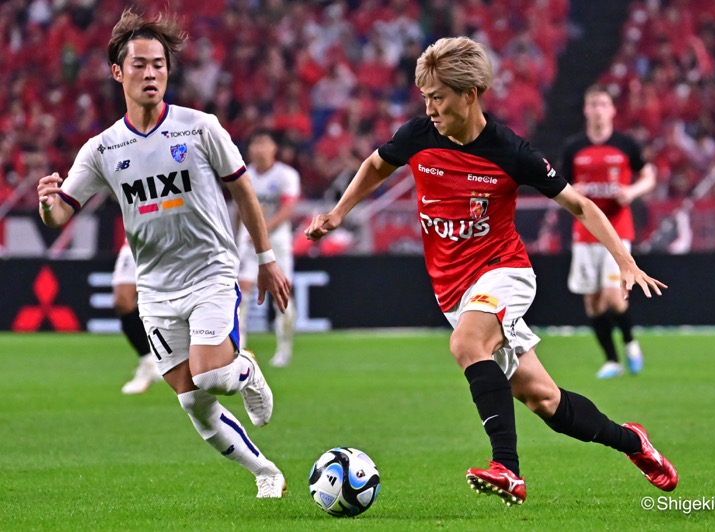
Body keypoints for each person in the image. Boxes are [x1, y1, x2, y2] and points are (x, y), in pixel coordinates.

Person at [305, 37, 677, 507]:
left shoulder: (509, 151)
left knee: (466, 344)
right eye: (425, 98)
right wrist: (339, 213)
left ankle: (508, 468)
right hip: (454, 292)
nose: (431, 107)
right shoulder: (418, 135)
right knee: (547, 402)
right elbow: (377, 165)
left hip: (504, 272)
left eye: (438, 97)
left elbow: (579, 204)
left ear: (470, 93)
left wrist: (624, 260)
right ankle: (633, 442)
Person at [36, 8, 291, 499]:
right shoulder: (102, 149)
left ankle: (246, 370)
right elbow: (60, 216)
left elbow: (244, 193)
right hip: (155, 287)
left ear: (168, 72)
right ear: (118, 72)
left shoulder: (200, 128)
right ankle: (265, 472)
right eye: (140, 65)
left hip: (211, 272)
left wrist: (264, 258)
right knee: (192, 402)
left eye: (159, 65)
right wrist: (48, 205)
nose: (150, 73)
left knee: (213, 374)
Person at [560, 85, 657, 379]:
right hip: (585, 233)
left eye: (603, 104)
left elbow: (649, 175)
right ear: (586, 110)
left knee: (615, 297)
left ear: (612, 110)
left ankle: (629, 344)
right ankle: (612, 360)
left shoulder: (626, 144)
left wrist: (631, 191)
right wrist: (574, 192)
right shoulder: (574, 147)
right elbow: (559, 186)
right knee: (592, 300)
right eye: (593, 104)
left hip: (617, 231)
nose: (598, 109)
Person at [237, 129, 299, 367]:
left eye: (264, 143)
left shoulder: (286, 175)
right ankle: (238, 347)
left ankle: (284, 348)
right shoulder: (243, 175)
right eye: (255, 143)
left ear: (274, 148)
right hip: (247, 240)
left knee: (280, 293)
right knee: (241, 291)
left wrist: (261, 229)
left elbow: (287, 209)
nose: (259, 148)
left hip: (277, 242)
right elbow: (238, 208)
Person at [112, 239, 161, 394]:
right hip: (135, 238)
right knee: (122, 301)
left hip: (173, 238)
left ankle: (189, 369)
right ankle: (148, 363)